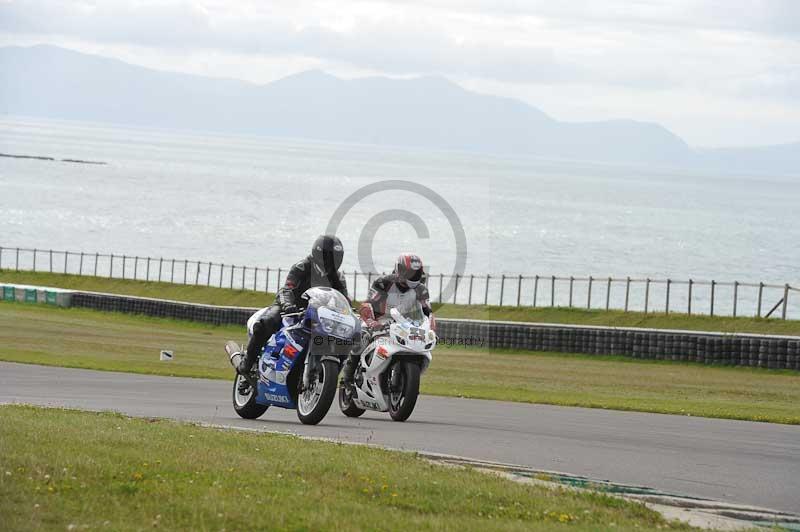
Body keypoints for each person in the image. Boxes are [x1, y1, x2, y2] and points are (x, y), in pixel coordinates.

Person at [237, 234, 348, 376]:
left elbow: (343, 299)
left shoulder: (338, 278)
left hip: (318, 314)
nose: (331, 261)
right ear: (318, 254)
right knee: (266, 323)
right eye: (328, 256)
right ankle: (248, 362)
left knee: (344, 338)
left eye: (335, 257)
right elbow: (287, 288)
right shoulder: (302, 267)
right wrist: (288, 304)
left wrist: (349, 312)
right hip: (291, 308)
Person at [341, 253, 434, 385]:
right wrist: (372, 322)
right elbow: (367, 304)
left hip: (404, 324)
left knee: (419, 346)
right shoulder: (384, 283)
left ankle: (405, 381)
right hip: (378, 320)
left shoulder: (421, 289)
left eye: (416, 273)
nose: (414, 276)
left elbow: (427, 312)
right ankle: (347, 377)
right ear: (401, 270)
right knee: (363, 335)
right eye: (410, 272)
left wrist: (429, 327)